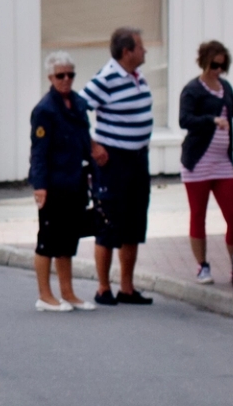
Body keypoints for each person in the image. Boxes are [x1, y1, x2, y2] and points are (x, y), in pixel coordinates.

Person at [80, 29, 157, 306]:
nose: (145, 51)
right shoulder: (106, 78)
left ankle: (127, 286)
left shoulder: (137, 76)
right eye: (141, 47)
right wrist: (92, 146)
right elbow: (76, 111)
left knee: (134, 223)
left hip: (137, 159)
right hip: (113, 161)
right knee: (108, 222)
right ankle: (103, 287)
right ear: (127, 52)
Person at [177, 41, 233, 287]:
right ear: (204, 62)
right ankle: (202, 265)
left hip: (222, 163)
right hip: (197, 163)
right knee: (198, 215)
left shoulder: (225, 87)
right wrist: (212, 120)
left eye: (222, 65)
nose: (218, 70)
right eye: (214, 65)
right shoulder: (192, 90)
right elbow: (184, 120)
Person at [26, 54, 92, 313]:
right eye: (60, 75)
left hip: (75, 181)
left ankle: (68, 292)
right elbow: (39, 152)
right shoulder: (45, 110)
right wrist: (40, 186)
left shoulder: (77, 104)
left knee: (67, 240)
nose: (66, 80)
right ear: (50, 78)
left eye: (70, 75)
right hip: (53, 184)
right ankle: (45, 295)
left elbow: (84, 140)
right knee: (48, 240)